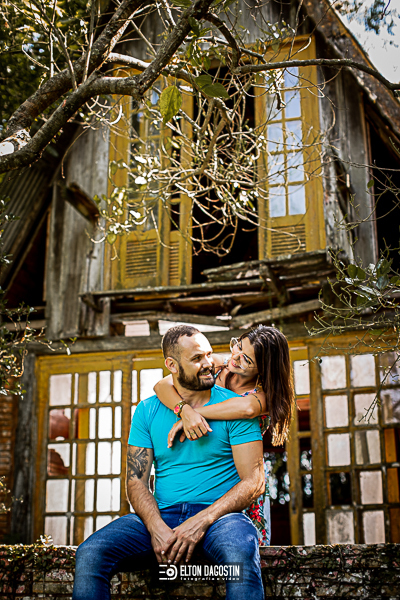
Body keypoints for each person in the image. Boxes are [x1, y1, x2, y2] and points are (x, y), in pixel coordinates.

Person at [72, 325, 265, 600]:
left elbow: (255, 481)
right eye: (197, 358)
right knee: (90, 553)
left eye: (209, 355)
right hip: (163, 516)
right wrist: (155, 527)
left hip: (221, 519)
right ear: (172, 365)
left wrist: (201, 521)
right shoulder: (147, 410)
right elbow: (136, 481)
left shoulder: (235, 408)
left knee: (240, 554)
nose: (209, 364)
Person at [154, 324, 295, 545]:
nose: (236, 357)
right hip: (206, 467)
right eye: (238, 346)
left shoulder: (262, 396)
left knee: (238, 546)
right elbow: (162, 385)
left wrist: (196, 414)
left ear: (264, 369)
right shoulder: (219, 365)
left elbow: (246, 408)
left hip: (239, 480)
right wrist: (185, 411)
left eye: (246, 359)